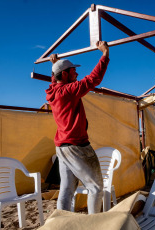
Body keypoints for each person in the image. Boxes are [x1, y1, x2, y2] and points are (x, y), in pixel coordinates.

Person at [45, 41, 109, 214]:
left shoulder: (54, 92)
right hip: (77, 146)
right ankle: (94, 223)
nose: (77, 73)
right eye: (73, 71)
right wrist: (104, 55)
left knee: (66, 190)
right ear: (65, 75)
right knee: (96, 188)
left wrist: (54, 67)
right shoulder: (69, 91)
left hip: (62, 147)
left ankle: (61, 223)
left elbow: (55, 81)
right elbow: (93, 79)